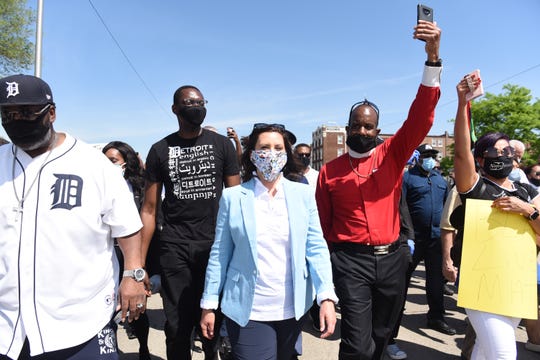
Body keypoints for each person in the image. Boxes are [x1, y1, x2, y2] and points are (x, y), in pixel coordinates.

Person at [315, 20, 442, 360]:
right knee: (357, 344)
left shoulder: (393, 154)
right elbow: (324, 225)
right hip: (350, 262)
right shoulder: (329, 171)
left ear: (377, 130)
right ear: (347, 127)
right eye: (356, 124)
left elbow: (421, 117)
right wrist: (331, 263)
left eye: (368, 126)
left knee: (383, 336)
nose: (361, 129)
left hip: (392, 261)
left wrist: (432, 58)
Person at [0, 74, 147, 359]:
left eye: (28, 112)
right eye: (9, 114)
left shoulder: (93, 164)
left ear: (51, 113)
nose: (18, 120)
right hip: (8, 324)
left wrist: (133, 274)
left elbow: (127, 227)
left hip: (81, 321)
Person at [200, 123, 338, 359]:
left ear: (286, 154)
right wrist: (209, 303)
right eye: (264, 147)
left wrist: (326, 296)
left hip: (293, 309)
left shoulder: (302, 195)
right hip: (249, 310)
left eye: (278, 147)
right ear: (252, 155)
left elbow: (316, 248)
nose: (271, 153)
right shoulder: (234, 197)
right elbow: (220, 253)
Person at [140, 85, 241, 360]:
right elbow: (149, 209)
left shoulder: (222, 146)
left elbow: (236, 201)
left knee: (211, 322)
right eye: (189, 102)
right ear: (175, 108)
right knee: (177, 325)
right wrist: (139, 263)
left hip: (215, 246)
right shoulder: (160, 149)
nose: (196, 106)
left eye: (200, 102)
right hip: (175, 247)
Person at [453, 74, 540, 359]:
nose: (503, 154)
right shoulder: (475, 186)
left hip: (515, 284)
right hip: (482, 286)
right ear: (481, 158)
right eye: (495, 150)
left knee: (483, 350)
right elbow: (461, 152)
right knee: (504, 354)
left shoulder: (526, 191)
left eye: (507, 150)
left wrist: (527, 210)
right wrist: (462, 104)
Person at [103, 141, 161, 360]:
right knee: (109, 310)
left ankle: (144, 349)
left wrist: (141, 264)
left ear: (126, 163)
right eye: (104, 161)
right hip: (109, 258)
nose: (108, 166)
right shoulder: (98, 189)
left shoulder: (139, 188)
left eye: (113, 161)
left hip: (134, 257)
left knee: (136, 307)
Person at [401, 144, 454, 335]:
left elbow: (448, 208)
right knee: (403, 279)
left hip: (435, 239)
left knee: (435, 281)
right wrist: (406, 235)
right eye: (426, 155)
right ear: (418, 157)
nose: (429, 158)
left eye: (432, 155)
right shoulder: (407, 178)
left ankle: (436, 317)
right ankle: (395, 314)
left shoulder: (441, 180)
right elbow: (400, 207)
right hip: (413, 239)